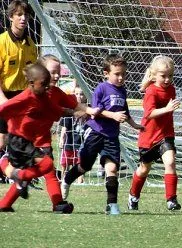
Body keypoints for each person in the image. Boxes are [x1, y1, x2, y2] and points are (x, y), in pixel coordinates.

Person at [0, 54, 98, 213]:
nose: (57, 75)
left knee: (48, 171)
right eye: (53, 72)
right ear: (40, 73)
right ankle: (9, 170)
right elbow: (8, 111)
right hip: (24, 141)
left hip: (42, 140)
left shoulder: (56, 93)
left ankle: (53, 203)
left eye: (58, 72)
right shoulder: (31, 95)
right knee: (43, 168)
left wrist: (89, 110)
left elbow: (71, 105)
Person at [61, 53, 143, 215]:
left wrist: (134, 125)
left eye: (123, 74)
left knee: (112, 168)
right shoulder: (101, 88)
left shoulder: (123, 91)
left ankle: (111, 205)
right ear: (106, 73)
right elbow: (95, 112)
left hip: (112, 136)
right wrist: (113, 116)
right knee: (85, 166)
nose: (121, 78)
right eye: (117, 74)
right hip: (95, 132)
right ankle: (67, 179)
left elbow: (124, 111)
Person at [0, 63, 59, 212]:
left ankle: (4, 204)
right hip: (20, 141)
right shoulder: (25, 97)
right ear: (32, 83)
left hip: (31, 141)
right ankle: (17, 173)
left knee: (44, 168)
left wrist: (78, 111)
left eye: (57, 72)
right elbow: (3, 109)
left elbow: (57, 110)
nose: (47, 86)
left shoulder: (47, 95)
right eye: (44, 83)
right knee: (47, 166)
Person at [127, 55, 182, 211]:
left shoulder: (172, 89)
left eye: (170, 76)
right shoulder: (151, 91)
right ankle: (133, 195)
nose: (167, 79)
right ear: (154, 74)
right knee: (144, 169)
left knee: (170, 162)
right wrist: (167, 109)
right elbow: (149, 114)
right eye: (163, 76)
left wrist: (169, 109)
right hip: (148, 137)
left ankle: (171, 199)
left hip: (165, 135)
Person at [0, 0, 37, 181]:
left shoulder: (31, 45)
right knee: (2, 140)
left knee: (23, 138)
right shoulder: (1, 42)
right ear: (10, 17)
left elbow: (33, 76)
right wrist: (3, 100)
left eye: (26, 15)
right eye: (19, 15)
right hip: (4, 96)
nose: (23, 18)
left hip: (22, 98)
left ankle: (22, 174)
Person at [59, 85, 87, 184]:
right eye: (77, 94)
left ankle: (80, 181)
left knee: (81, 163)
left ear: (86, 96)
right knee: (65, 163)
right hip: (69, 141)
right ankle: (63, 179)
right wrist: (62, 139)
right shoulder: (69, 109)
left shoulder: (88, 110)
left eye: (82, 94)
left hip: (82, 141)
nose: (79, 96)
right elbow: (64, 127)